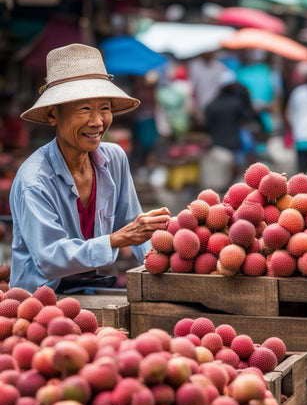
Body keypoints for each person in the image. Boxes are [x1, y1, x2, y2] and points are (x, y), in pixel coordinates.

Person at [9, 43, 171, 293]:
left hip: (93, 287)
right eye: (84, 109)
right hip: (41, 298)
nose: (97, 122)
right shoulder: (35, 180)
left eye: (104, 108)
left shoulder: (114, 158)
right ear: (53, 115)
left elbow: (134, 225)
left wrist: (166, 266)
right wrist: (117, 239)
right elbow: (49, 259)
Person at [203, 70, 262, 190]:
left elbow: (206, 125)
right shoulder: (237, 103)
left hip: (217, 145)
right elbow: (247, 117)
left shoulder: (211, 105)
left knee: (220, 181)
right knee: (235, 178)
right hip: (234, 145)